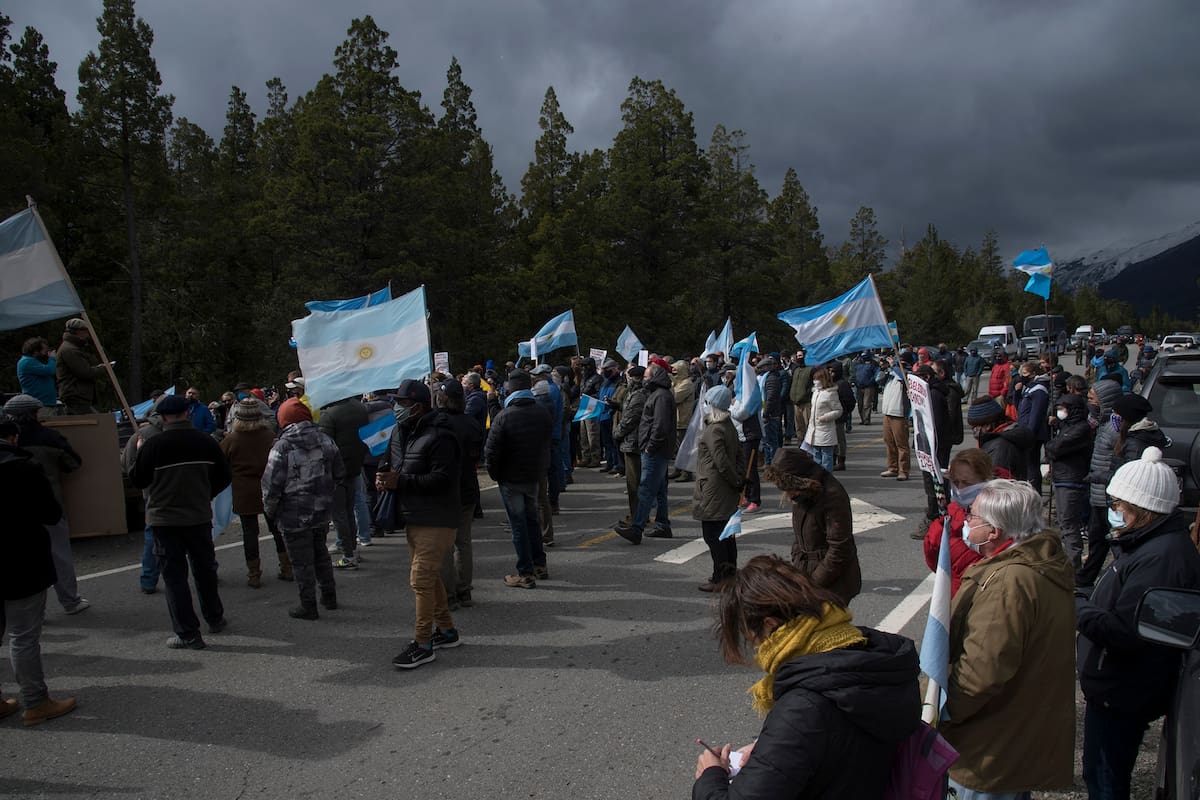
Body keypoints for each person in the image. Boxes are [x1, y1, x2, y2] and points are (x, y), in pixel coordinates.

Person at [691, 555, 919, 799]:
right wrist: (768, 752)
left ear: (770, 624)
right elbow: (836, 742)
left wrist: (711, 776)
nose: (757, 650)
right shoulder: (870, 654)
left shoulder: (804, 706)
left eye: (752, 639)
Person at [1077, 447, 1200, 799]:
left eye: (1118, 506)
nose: (1113, 512)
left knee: (1105, 779)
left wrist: (1079, 608)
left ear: (1141, 509)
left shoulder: (1160, 557)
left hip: (1124, 691)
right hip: (1121, 688)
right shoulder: (1149, 544)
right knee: (1102, 774)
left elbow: (1125, 632)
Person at [940, 479, 1076, 799]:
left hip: (988, 749)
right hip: (1017, 736)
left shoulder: (1008, 581)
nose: (964, 522)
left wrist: (939, 714)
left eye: (971, 516)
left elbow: (979, 673)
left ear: (994, 532)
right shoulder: (1040, 564)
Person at [127, 394, 231, 649]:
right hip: (197, 515)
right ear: (188, 413)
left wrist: (138, 454)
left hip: (164, 519)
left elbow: (137, 480)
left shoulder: (152, 445)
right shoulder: (206, 443)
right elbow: (224, 477)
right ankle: (215, 617)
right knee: (205, 570)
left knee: (174, 577)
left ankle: (188, 633)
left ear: (162, 417)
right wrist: (205, 494)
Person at [377, 379, 463, 669]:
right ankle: (447, 631)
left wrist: (400, 481)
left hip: (437, 517)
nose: (395, 408)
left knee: (421, 580)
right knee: (430, 578)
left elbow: (443, 480)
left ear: (417, 405)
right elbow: (391, 463)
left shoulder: (442, 436)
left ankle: (423, 643)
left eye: (400, 403)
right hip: (412, 515)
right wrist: (383, 476)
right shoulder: (401, 432)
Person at [0, 419, 78, 727]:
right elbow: (50, 512)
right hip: (21, 559)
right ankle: (36, 702)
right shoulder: (23, 467)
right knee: (23, 635)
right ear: (13, 437)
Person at [4, 395, 89, 614]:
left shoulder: (8, 441)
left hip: (9, 511)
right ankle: (70, 601)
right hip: (47, 503)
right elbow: (74, 462)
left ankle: (29, 609)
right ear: (35, 413)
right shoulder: (50, 437)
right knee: (59, 555)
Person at [261, 398, 343, 620]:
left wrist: (270, 510)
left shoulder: (282, 447)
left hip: (293, 514)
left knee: (301, 562)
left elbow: (271, 485)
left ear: (283, 420)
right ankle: (329, 596)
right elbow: (339, 473)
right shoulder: (326, 440)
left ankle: (308, 605)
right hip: (321, 510)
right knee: (321, 554)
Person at [763, 448, 861, 605]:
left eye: (789, 489)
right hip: (808, 573)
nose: (789, 494)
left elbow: (840, 548)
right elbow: (799, 537)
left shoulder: (831, 495)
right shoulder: (802, 494)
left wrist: (813, 584)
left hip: (833, 581)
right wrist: (798, 566)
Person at [486, 370, 553, 587]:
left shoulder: (504, 416)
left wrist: (496, 474)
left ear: (510, 390)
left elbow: (492, 451)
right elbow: (546, 443)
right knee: (532, 520)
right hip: (533, 475)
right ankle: (539, 564)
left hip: (511, 477)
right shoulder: (541, 412)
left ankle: (525, 572)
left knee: (518, 524)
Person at [922, 449, 1013, 596]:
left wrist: (949, 545)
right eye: (955, 482)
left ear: (987, 479)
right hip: (956, 593)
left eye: (966, 482)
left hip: (986, 594)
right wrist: (936, 534)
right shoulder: (953, 510)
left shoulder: (1004, 509)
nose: (960, 489)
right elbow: (936, 563)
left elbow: (991, 563)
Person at [220, 398, 289, 588]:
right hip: (269, 485)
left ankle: (254, 574)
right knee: (277, 529)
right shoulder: (269, 436)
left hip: (244, 490)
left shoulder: (232, 439)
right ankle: (287, 567)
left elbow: (220, 463)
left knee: (250, 533)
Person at [432, 378, 483, 609]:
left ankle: (449, 594)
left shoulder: (437, 424)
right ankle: (464, 591)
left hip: (446, 490)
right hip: (468, 487)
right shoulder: (471, 423)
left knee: (445, 545)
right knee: (464, 542)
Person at [615, 358, 676, 543]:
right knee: (658, 490)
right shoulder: (657, 394)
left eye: (647, 376)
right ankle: (662, 524)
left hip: (655, 451)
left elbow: (660, 425)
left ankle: (637, 527)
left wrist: (650, 446)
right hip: (657, 449)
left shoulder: (661, 396)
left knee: (646, 489)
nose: (643, 379)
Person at [1077, 379, 1127, 589]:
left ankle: (1123, 578)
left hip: (1108, 494)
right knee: (1097, 540)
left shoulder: (1115, 429)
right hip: (1098, 494)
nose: (1089, 403)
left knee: (1116, 542)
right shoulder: (1101, 424)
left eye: (1092, 399)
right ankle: (1085, 580)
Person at [693, 385, 743, 592]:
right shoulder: (727, 425)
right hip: (725, 488)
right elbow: (739, 455)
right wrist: (739, 479)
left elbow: (721, 461)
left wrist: (734, 480)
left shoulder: (715, 429)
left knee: (714, 535)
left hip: (715, 487)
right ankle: (730, 574)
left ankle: (720, 577)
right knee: (726, 534)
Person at [1043, 392, 1093, 571]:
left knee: (1068, 523)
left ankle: (1074, 566)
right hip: (1062, 478)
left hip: (1071, 480)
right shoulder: (1068, 426)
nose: (1060, 412)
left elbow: (1055, 447)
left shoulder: (1081, 429)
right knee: (1063, 522)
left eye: (1062, 409)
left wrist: (1051, 446)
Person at [318, 395, 369, 570]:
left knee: (340, 514)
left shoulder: (329, 415)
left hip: (337, 470)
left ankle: (348, 555)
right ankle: (353, 550)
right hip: (355, 464)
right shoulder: (360, 408)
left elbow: (324, 447)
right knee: (349, 510)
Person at [967, 397, 1035, 482]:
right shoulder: (1004, 437)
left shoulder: (999, 446)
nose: (974, 430)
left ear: (988, 425)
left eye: (976, 426)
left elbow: (995, 481)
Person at [613, 364, 647, 528]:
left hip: (633, 442)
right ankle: (638, 514)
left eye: (631, 377)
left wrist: (617, 433)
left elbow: (630, 418)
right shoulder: (634, 393)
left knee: (634, 484)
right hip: (632, 441)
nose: (628, 379)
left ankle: (637, 517)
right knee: (634, 483)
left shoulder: (639, 395)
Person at [56, 318, 109, 414]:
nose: (87, 334)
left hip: (78, 394)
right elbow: (85, 372)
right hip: (76, 395)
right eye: (85, 331)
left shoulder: (73, 347)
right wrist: (104, 369)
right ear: (78, 332)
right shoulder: (70, 350)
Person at [879, 352, 912, 481]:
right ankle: (892, 467)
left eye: (901, 362)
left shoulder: (907, 374)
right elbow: (878, 380)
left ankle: (904, 470)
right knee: (889, 441)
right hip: (887, 412)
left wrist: (895, 366)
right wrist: (883, 368)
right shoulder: (891, 374)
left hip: (899, 413)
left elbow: (904, 377)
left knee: (901, 444)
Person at [801, 367, 838, 473]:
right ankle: (818, 479)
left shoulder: (831, 393)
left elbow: (838, 410)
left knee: (826, 457)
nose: (815, 381)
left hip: (826, 429)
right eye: (814, 379)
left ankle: (827, 480)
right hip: (814, 430)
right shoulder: (816, 392)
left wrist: (825, 417)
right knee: (816, 456)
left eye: (817, 379)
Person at [16, 337, 57, 408]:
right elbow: (49, 370)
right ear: (35, 352)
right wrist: (52, 358)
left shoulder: (31, 361)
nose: (46, 354)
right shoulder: (27, 362)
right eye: (44, 351)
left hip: (42, 403)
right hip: (39, 404)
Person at [853, 352, 878, 425]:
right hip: (859, 387)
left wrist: (871, 381)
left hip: (868, 387)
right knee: (860, 405)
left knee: (866, 404)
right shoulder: (857, 365)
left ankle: (866, 419)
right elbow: (854, 374)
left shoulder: (873, 365)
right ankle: (862, 419)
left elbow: (876, 374)